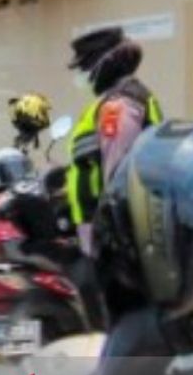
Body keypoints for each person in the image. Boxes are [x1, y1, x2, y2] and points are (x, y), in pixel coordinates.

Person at [65, 27, 162, 231]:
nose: (83, 75)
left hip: (106, 232)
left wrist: (111, 236)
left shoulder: (119, 107)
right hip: (96, 226)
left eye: (85, 67)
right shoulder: (118, 99)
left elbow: (117, 181)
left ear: (104, 64)